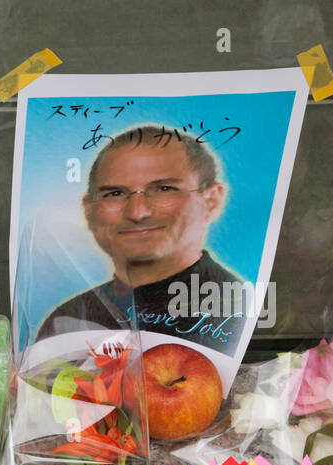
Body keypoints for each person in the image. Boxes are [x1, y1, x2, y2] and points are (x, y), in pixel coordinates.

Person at [37, 125, 243, 340]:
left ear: (211, 201)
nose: (137, 213)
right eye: (115, 193)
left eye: (164, 189)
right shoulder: (67, 322)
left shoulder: (242, 311)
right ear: (88, 211)